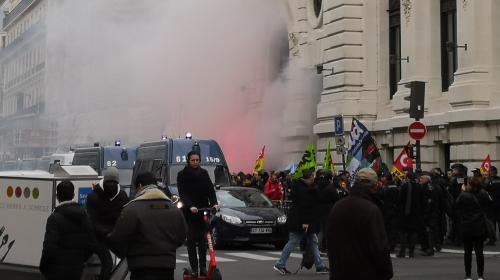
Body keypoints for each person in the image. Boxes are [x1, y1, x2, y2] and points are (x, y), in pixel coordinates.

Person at [107, 172, 187, 280]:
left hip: (140, 266)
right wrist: (168, 249)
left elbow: (117, 238)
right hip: (167, 265)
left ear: (140, 186)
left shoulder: (132, 209)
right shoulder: (174, 209)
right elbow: (182, 236)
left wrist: (127, 255)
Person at [327, 168, 393, 280]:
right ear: (375, 185)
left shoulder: (338, 206)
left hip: (340, 272)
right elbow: (379, 247)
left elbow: (330, 242)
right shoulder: (371, 210)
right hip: (366, 272)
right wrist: (387, 272)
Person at [40, 181, 103, 280]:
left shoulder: (54, 218)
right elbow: (92, 243)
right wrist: (81, 260)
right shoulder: (84, 215)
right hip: (76, 269)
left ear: (57, 196)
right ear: (73, 195)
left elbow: (49, 247)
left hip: (56, 270)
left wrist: (43, 267)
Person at [273, 168, 329, 275]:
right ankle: (280, 264)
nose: (314, 178)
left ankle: (320, 266)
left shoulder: (302, 187)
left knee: (313, 242)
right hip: (300, 222)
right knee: (293, 242)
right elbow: (303, 209)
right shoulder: (303, 191)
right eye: (312, 176)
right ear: (309, 178)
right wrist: (305, 223)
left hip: (303, 221)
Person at [177, 150, 219, 277]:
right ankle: (194, 268)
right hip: (189, 212)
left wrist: (214, 203)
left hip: (202, 211)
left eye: (197, 160)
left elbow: (210, 191)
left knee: (202, 241)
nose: (195, 162)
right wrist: (190, 206)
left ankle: (203, 268)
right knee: (191, 241)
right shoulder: (182, 174)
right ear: (188, 161)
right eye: (193, 160)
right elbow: (182, 193)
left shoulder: (204, 173)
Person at [86, 167, 129, 279]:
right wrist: (106, 232)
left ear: (117, 183)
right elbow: (92, 220)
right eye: (108, 182)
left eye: (113, 182)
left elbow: (125, 217)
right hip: (97, 236)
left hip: (113, 234)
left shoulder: (122, 196)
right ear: (104, 181)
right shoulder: (93, 197)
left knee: (128, 258)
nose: (111, 185)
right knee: (107, 263)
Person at [456, 176, 493, 280]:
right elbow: (490, 204)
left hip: (466, 225)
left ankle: (468, 275)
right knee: (479, 252)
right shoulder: (484, 193)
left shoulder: (463, 195)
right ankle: (480, 275)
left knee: (467, 252)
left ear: (469, 184)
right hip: (479, 225)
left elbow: (456, 206)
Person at [396, 171, 425, 258]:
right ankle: (411, 252)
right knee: (412, 233)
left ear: (407, 177)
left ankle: (402, 251)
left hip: (405, 213)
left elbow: (400, 199)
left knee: (402, 233)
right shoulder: (419, 186)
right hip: (415, 214)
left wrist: (398, 208)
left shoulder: (405, 186)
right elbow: (422, 201)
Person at [315, 169, 338, 253]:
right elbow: (336, 198)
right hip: (328, 211)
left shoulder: (317, 186)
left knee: (321, 230)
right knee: (327, 231)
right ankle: (325, 248)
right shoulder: (330, 187)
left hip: (319, 210)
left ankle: (318, 248)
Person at [486, 166, 500, 245]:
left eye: (489, 171)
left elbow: (485, 190)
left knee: (492, 222)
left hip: (492, 204)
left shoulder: (489, 181)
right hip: (497, 204)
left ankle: (492, 239)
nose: (488, 172)